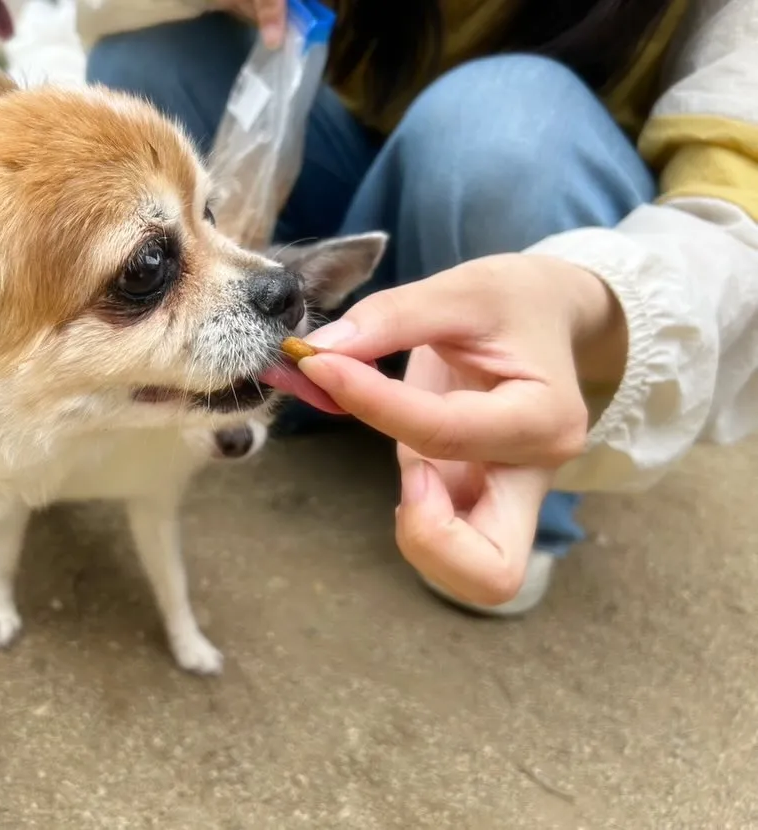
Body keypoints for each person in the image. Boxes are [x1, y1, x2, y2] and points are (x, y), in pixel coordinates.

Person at [74, 0, 758, 615]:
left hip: (532, 224)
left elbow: (736, 220)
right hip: (350, 176)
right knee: (150, 55)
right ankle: (288, 382)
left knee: (501, 123)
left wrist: (584, 296)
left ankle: (510, 469)